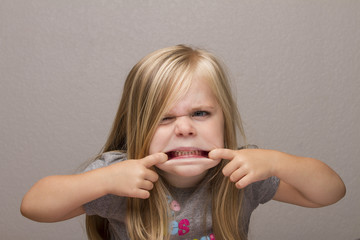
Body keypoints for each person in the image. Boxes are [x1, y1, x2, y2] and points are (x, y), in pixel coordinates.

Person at [21, 45, 346, 240]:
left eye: (201, 113)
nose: (185, 128)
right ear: (138, 128)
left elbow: (329, 193)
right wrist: (103, 180)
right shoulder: (121, 178)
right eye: (165, 118)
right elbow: (34, 206)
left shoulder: (239, 174)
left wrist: (277, 162)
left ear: (224, 120)